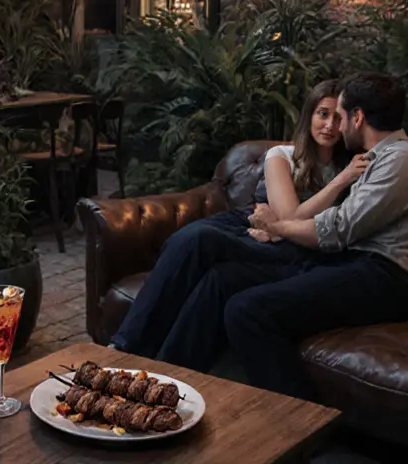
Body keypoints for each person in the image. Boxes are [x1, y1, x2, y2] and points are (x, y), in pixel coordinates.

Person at [109, 79, 364, 368]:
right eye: (322, 114)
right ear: (309, 116)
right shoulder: (282, 156)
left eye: (337, 117)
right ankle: (123, 348)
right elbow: (292, 214)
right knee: (193, 239)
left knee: (218, 273)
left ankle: (160, 368)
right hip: (246, 227)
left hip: (288, 245)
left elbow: (293, 222)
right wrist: (337, 185)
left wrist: (340, 180)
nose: (329, 125)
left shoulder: (349, 167)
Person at [228, 72, 408, 398]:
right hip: (353, 264)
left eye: (341, 117)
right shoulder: (376, 158)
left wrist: (276, 226)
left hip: (388, 278)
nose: (337, 127)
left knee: (248, 310)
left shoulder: (404, 158)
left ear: (358, 118)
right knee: (227, 277)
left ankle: (299, 427)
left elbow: (339, 228)